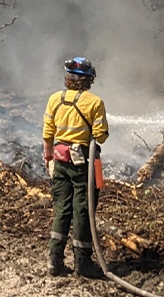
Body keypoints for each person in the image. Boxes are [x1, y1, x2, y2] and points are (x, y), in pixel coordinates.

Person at [43, 57, 108, 278]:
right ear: (88, 80)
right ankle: (83, 264)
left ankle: (54, 260)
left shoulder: (54, 99)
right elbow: (101, 136)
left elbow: (48, 133)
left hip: (59, 163)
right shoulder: (95, 103)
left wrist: (48, 156)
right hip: (82, 165)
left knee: (61, 210)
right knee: (83, 211)